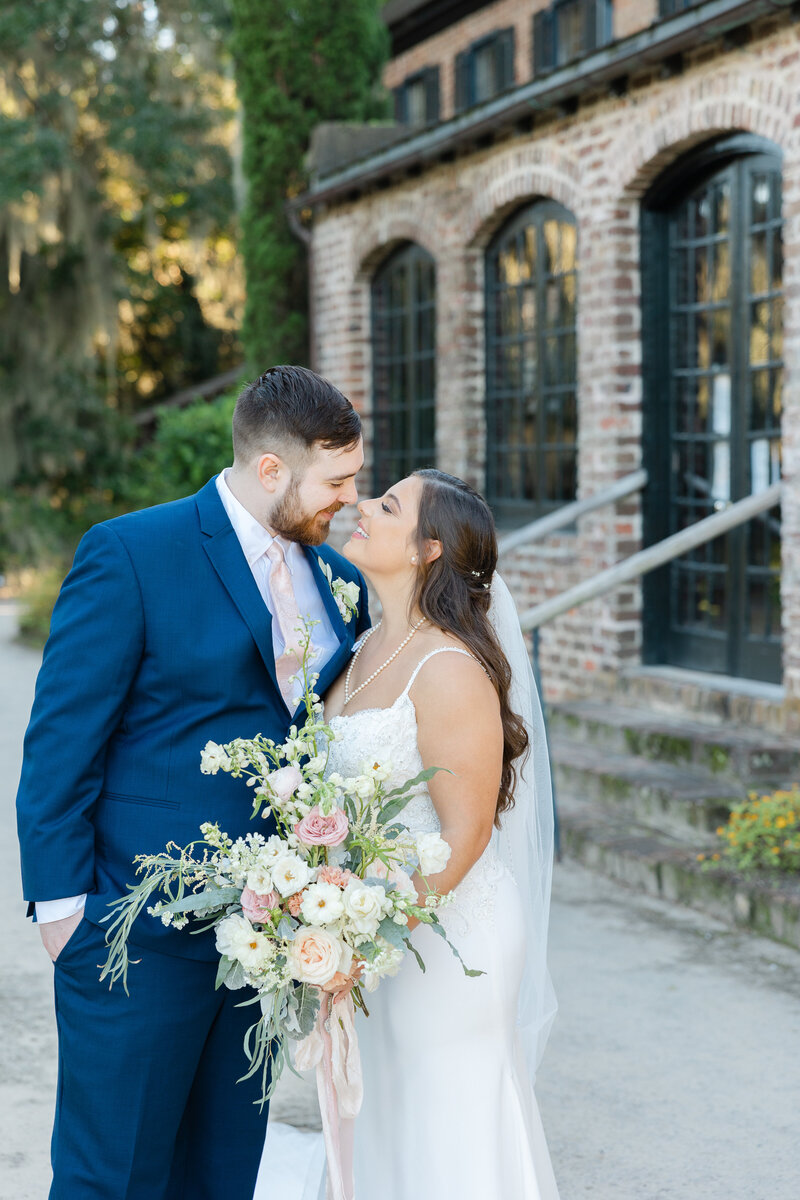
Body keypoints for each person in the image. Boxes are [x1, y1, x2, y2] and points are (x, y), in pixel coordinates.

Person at [15, 365, 370, 1200]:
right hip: (133, 930)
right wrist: (68, 914)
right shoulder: (133, 552)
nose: (351, 500)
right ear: (272, 469)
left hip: (263, 946)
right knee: (114, 1177)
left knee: (220, 1173)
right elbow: (60, 743)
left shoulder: (338, 583)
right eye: (338, 481)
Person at [321, 468, 559, 1199]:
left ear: (429, 549)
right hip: (376, 932)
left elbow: (468, 832)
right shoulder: (360, 650)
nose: (364, 505)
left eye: (388, 506)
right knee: (388, 1116)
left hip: (450, 937)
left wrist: (368, 927)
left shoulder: (449, 666)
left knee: (446, 1125)